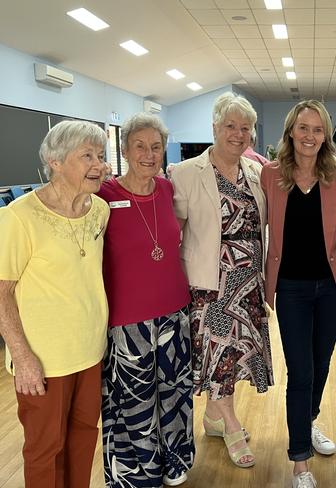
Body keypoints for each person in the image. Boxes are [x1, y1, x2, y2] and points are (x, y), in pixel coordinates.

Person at [0, 120, 110, 487]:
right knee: (44, 450)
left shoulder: (99, 211)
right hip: (43, 359)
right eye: (87, 156)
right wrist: (23, 357)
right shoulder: (18, 216)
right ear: (55, 161)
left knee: (82, 439)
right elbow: (1, 293)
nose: (99, 164)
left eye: (101, 155)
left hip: (90, 350)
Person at [171, 92, 273, 469]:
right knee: (219, 357)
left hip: (248, 281)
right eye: (230, 126)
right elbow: (172, 233)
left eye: (245, 127)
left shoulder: (256, 173)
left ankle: (213, 418)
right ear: (214, 128)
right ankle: (230, 425)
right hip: (210, 284)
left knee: (233, 356)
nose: (238, 133)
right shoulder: (184, 173)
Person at [261, 100, 336, 488]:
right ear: (291, 131)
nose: (310, 136)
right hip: (293, 289)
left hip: (330, 288)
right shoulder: (270, 174)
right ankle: (300, 459)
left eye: (318, 129)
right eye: (303, 128)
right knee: (300, 371)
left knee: (321, 364)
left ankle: (309, 420)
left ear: (326, 134)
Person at [98, 113, 194, 487]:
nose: (149, 154)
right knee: (133, 402)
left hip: (174, 312)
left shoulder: (167, 190)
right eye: (140, 146)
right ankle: (138, 472)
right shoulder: (104, 196)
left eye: (156, 147)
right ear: (124, 150)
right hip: (127, 320)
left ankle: (174, 460)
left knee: (174, 393)